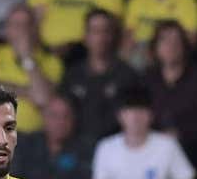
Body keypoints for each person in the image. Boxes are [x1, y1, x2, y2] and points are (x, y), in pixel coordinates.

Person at [143, 21, 197, 179]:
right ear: (155, 47)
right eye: (164, 40)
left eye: (176, 41)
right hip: (154, 147)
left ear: (185, 46)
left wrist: (179, 133)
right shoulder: (147, 80)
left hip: (190, 146)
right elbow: (141, 116)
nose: (171, 46)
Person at [0, 5, 64, 133]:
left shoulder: (52, 62)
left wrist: (27, 58)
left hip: (30, 136)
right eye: (15, 24)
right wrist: (27, 92)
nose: (21, 29)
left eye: (26, 24)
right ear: (7, 29)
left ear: (34, 29)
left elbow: (42, 99)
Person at [59, 9, 141, 143]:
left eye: (105, 31)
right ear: (85, 37)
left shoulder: (128, 75)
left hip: (117, 148)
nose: (100, 38)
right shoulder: (72, 75)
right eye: (95, 31)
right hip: (77, 148)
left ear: (113, 36)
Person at [13, 95, 95, 179]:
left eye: (66, 116)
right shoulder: (27, 145)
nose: (60, 121)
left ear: (74, 119)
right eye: (54, 116)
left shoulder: (85, 148)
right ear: (44, 117)